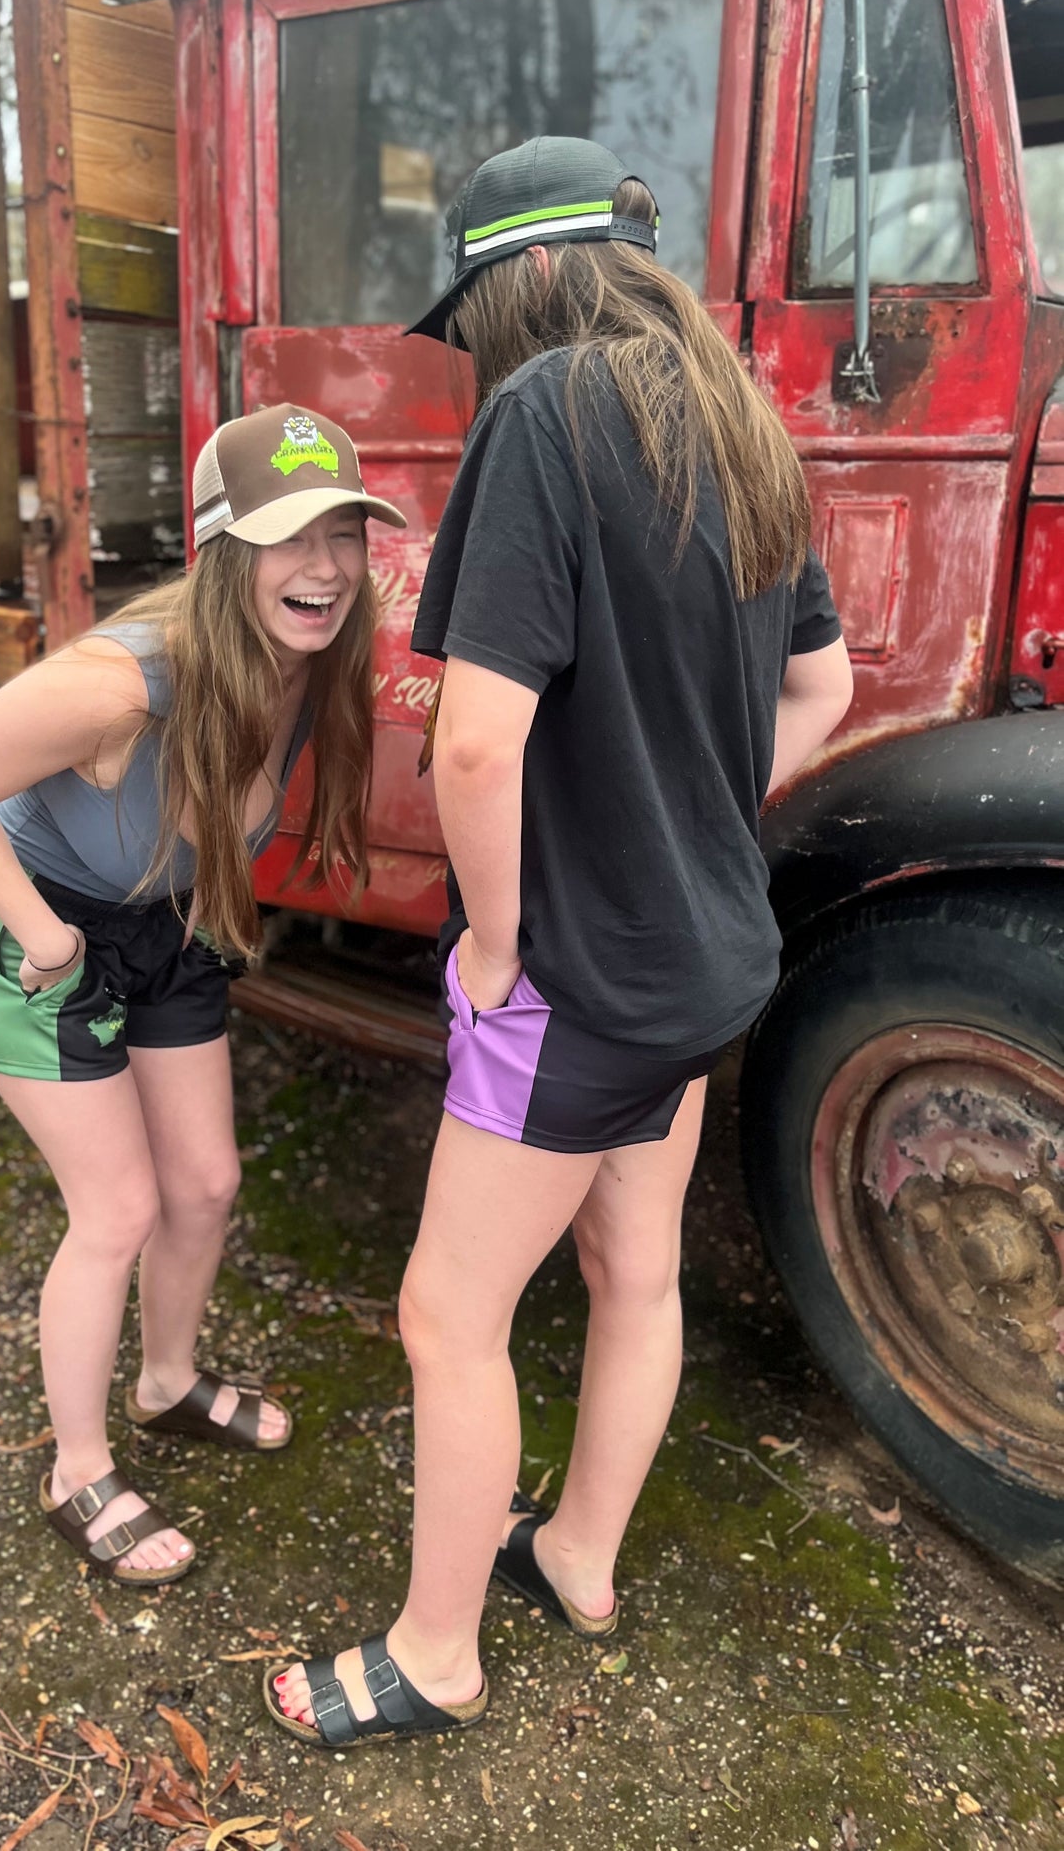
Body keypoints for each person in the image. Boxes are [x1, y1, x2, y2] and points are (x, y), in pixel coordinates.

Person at [266, 136, 854, 1746]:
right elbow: (824, 689)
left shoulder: (546, 412)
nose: (475, 359)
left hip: (577, 978)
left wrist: (495, 946)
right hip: (707, 958)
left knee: (450, 1314)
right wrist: (693, 816)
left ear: (525, 278)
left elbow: (470, 742)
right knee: (633, 1264)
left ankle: (435, 1651)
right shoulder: (746, 421)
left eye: (473, 318)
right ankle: (579, 1552)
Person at [0, 404, 405, 1586]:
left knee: (206, 1181)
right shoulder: (121, 685)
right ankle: (76, 1468)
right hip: (37, 924)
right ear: (226, 547)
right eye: (292, 535)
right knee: (116, 1206)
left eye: (342, 529)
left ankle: (167, 1380)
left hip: (163, 921)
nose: (326, 565)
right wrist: (43, 936)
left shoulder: (312, 663)